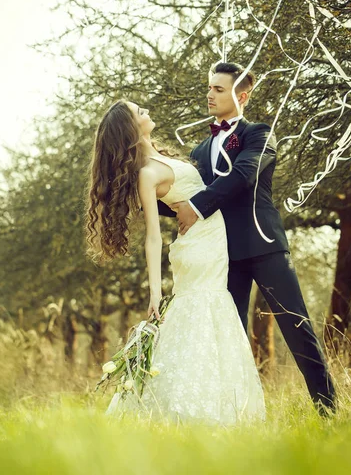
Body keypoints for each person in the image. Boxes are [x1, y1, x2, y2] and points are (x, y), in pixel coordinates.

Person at [162, 61, 336, 415]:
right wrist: (147, 195)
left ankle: (328, 410)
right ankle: (235, 415)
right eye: (209, 87)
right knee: (231, 338)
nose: (210, 94)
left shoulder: (259, 134)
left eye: (219, 89)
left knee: (297, 326)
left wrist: (196, 205)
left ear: (242, 96)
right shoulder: (197, 152)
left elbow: (243, 174)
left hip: (264, 246)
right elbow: (182, 201)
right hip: (223, 256)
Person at [86, 99, 266, 425]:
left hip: (207, 238)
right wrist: (155, 293)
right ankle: (200, 407)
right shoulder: (147, 172)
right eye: (140, 112)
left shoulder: (160, 156)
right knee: (205, 310)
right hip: (200, 247)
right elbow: (153, 237)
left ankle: (206, 401)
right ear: (130, 127)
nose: (147, 111)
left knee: (203, 314)